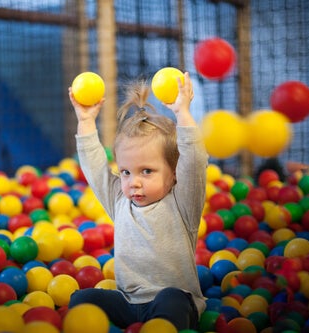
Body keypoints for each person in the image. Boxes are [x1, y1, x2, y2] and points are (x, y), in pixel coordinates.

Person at [67, 72, 208, 330]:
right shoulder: (120, 202)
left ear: (174, 174)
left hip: (171, 301)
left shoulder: (182, 203)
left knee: (172, 298)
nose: (134, 182)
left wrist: (183, 114)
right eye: (126, 172)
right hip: (128, 302)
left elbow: (195, 162)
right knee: (81, 299)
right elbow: (95, 167)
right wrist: (85, 121)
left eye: (147, 171)